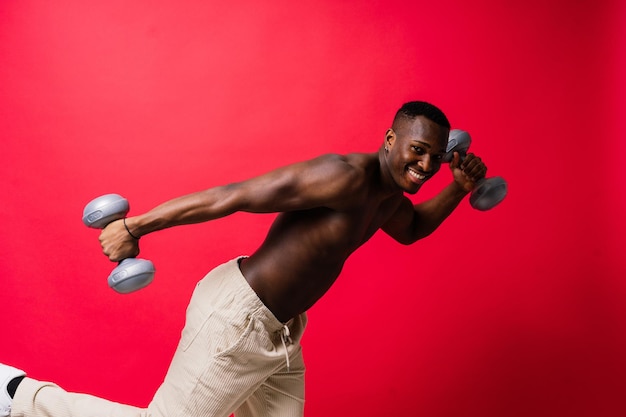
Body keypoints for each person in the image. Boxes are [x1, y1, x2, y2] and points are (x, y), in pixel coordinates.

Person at [1, 101, 488, 417]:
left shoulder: (389, 200)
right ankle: (19, 395)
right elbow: (231, 196)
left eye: (432, 158)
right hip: (237, 321)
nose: (424, 167)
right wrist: (135, 225)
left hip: (281, 333)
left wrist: (459, 189)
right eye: (416, 151)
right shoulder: (342, 177)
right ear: (390, 140)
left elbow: (413, 230)